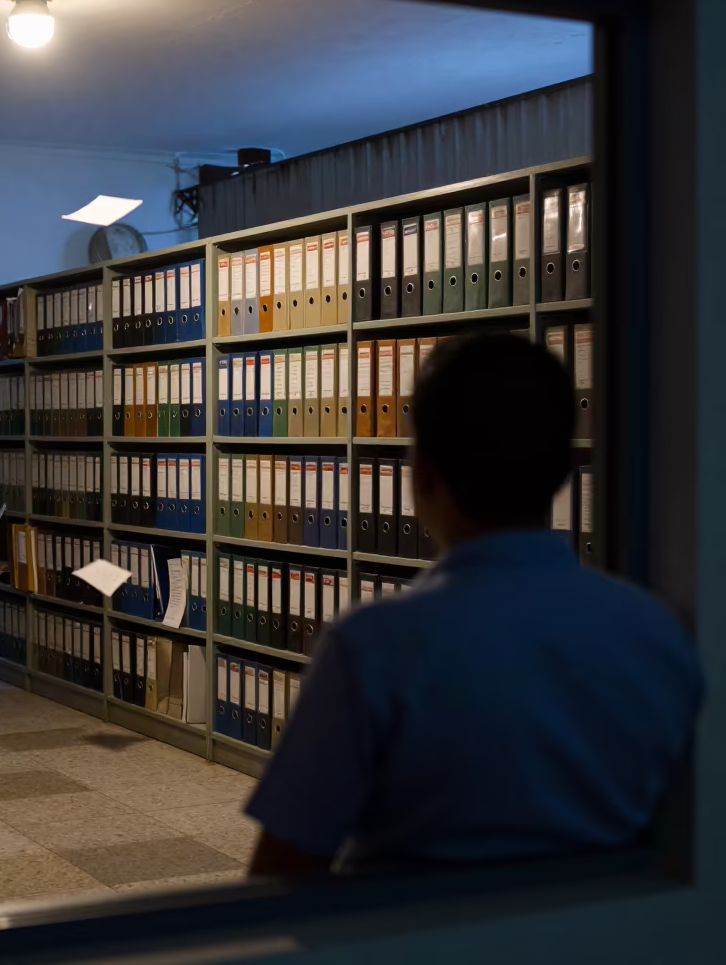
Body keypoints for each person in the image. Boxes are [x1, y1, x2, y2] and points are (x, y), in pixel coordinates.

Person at [246, 332, 702, 877]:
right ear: (563, 472)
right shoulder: (658, 633)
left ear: (423, 471)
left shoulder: (372, 648)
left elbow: (281, 878)